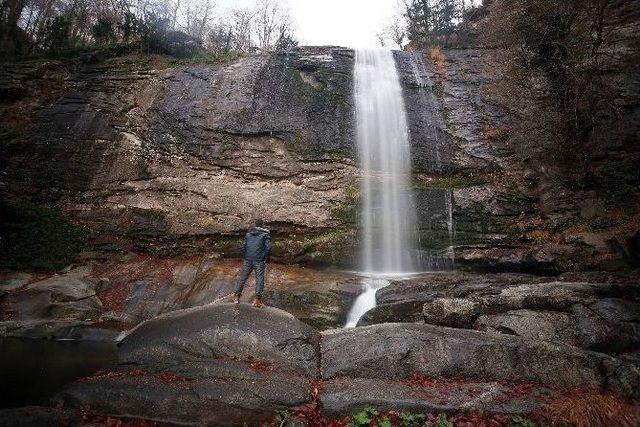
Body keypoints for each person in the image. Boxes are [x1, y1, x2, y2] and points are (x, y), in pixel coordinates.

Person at [233, 220, 272, 307]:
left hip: (248, 259)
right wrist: (266, 258)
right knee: (259, 279)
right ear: (262, 226)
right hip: (259, 260)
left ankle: (236, 298)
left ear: (255, 225)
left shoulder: (248, 234)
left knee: (242, 278)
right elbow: (268, 248)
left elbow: (242, 247)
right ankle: (257, 300)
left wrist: (245, 256)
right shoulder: (265, 235)